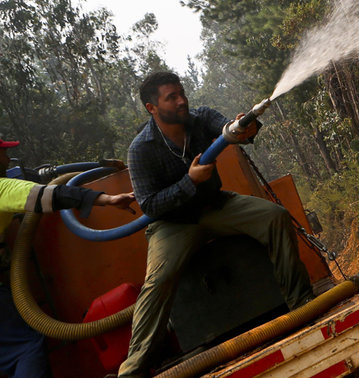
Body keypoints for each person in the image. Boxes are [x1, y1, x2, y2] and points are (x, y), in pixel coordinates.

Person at [118, 72, 313, 378]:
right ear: (151, 107)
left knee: (274, 217)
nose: (182, 100)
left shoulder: (200, 117)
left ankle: (302, 304)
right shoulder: (141, 149)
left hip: (217, 205)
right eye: (172, 97)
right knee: (158, 281)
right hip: (173, 223)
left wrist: (247, 127)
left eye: (181, 93)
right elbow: (150, 205)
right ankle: (132, 369)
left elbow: (233, 133)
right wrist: (189, 182)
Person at [0, 138, 136, 378]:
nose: (8, 159)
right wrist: (105, 199)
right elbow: (47, 196)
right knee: (25, 348)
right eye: (3, 153)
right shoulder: (3, 188)